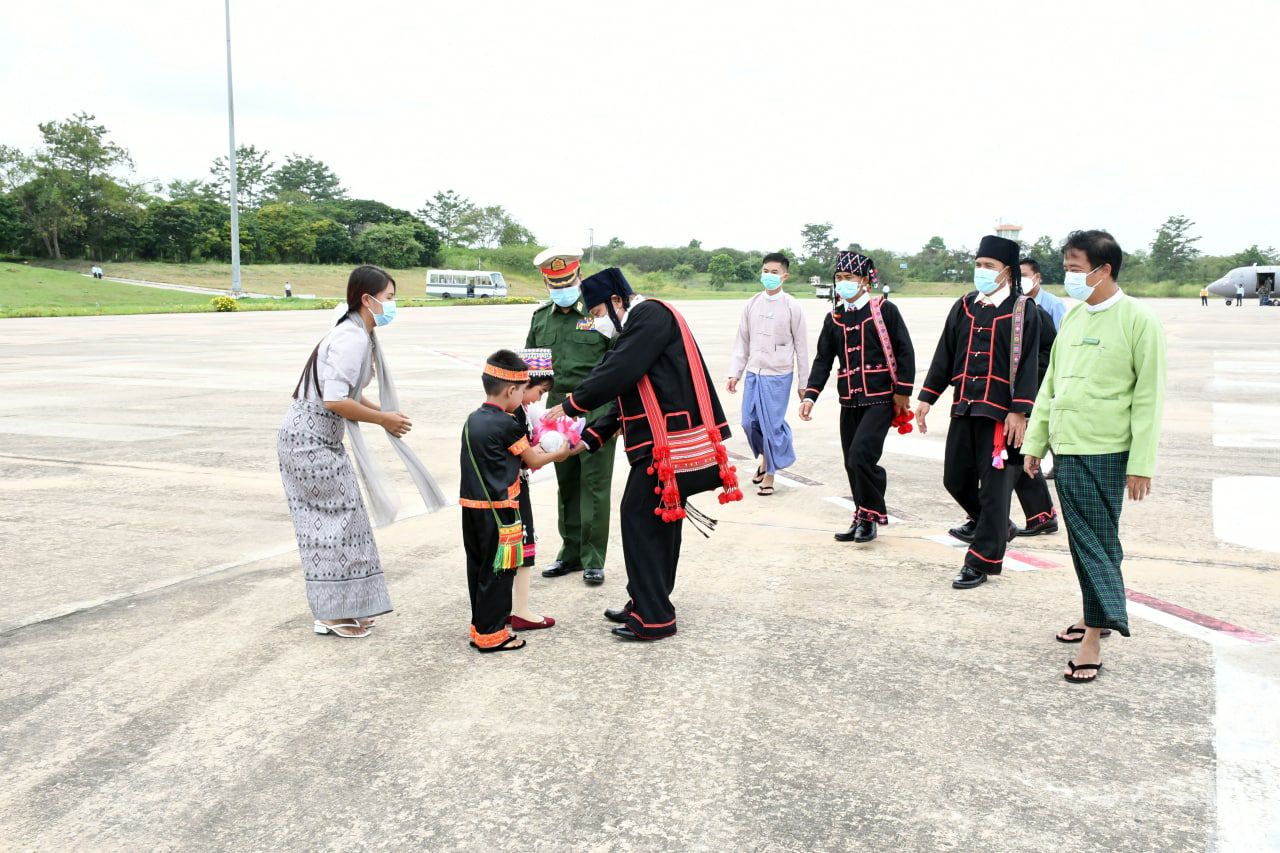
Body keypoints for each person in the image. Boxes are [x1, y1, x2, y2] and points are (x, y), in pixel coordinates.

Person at [546, 268, 742, 641]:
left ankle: (655, 616)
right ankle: (646, 600)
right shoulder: (642, 323)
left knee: (641, 521)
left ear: (616, 300)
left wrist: (572, 405)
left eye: (598, 313)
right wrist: (588, 439)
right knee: (656, 525)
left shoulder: (650, 314)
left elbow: (619, 371)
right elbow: (628, 396)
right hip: (661, 442)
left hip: (667, 445)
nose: (597, 322)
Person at [1023, 230, 1166, 683]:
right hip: (1066, 447)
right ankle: (1095, 615)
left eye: (1075, 268)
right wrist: (1036, 442)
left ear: (1104, 270)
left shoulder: (1138, 320)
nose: (1069, 276)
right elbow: (1051, 384)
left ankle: (1094, 633)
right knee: (1085, 541)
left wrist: (1141, 463)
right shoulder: (1073, 319)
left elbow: (1149, 397)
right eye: (1066, 267)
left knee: (1097, 542)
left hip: (1107, 450)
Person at [278, 265, 448, 639]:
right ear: (367, 300)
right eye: (389, 298)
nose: (393, 305)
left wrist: (382, 414)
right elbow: (335, 399)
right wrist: (382, 419)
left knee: (349, 521)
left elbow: (349, 394)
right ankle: (330, 614)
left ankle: (347, 607)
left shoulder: (359, 333)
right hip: (309, 443)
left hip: (320, 440)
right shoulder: (351, 338)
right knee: (332, 526)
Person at [916, 235, 1041, 589]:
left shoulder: (1023, 311)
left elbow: (1030, 364)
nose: (982, 271)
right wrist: (928, 397)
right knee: (954, 478)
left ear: (1007, 272)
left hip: (1003, 417)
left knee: (995, 492)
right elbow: (944, 354)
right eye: (978, 265)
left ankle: (981, 561)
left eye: (990, 266)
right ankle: (999, 526)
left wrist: (1020, 410)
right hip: (965, 407)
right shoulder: (965, 306)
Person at [461, 350, 574, 653]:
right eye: (523, 390)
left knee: (478, 569)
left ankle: (480, 628)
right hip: (501, 511)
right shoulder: (507, 423)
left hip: (472, 508)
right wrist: (559, 454)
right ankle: (494, 635)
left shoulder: (473, 419)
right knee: (500, 572)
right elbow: (533, 458)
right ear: (511, 390)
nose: (526, 397)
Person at [800, 251, 915, 543]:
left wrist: (903, 392)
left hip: (880, 398)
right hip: (849, 400)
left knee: (861, 455)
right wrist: (810, 396)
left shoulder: (884, 310)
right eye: (839, 278)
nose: (843, 282)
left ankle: (871, 516)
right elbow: (823, 361)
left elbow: (905, 350)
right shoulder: (834, 318)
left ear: (865, 280)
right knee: (850, 461)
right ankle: (861, 515)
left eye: (849, 277)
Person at [526, 247, 616, 586]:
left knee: (595, 486)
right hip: (555, 414)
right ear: (546, 284)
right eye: (555, 284)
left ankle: (593, 558)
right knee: (566, 484)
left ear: (579, 278)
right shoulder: (541, 318)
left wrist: (616, 417)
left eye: (567, 282)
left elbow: (619, 365)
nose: (562, 289)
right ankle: (570, 553)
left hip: (596, 410)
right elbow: (531, 372)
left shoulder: (599, 315)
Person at [726, 251, 808, 497]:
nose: (769, 276)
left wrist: (804, 384)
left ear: (785, 276)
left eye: (774, 272)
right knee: (748, 422)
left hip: (778, 375)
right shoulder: (752, 303)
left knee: (771, 427)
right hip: (754, 372)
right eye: (765, 271)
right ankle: (766, 457)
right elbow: (742, 341)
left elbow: (802, 348)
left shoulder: (792, 306)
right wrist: (735, 373)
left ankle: (770, 474)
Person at [509, 348, 558, 631]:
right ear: (524, 384)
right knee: (521, 547)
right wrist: (557, 451)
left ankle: (512, 608)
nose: (540, 399)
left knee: (515, 549)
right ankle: (521, 610)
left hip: (514, 485)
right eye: (540, 392)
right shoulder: (515, 414)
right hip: (513, 489)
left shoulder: (520, 411)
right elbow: (528, 458)